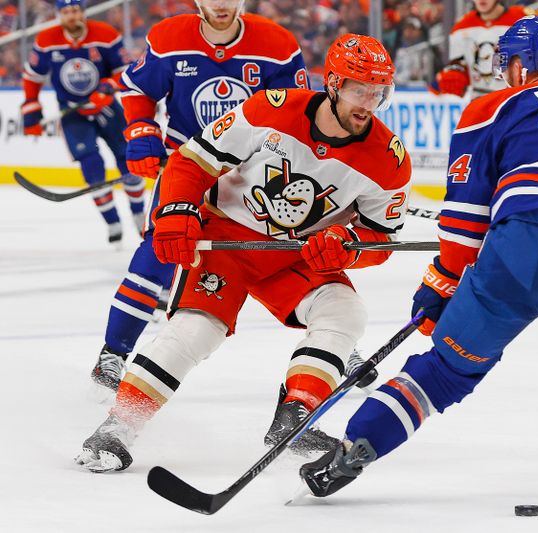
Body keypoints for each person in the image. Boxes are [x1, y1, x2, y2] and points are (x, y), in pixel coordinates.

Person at [298, 16, 538, 508]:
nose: (506, 72)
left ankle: (352, 452)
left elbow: (463, 222)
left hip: (516, 257)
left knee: (444, 370)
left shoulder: (488, 106)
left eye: (509, 63)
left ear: (522, 65)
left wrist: (439, 287)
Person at [75, 33, 412, 473]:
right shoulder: (271, 109)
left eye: (378, 92)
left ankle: (295, 416)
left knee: (345, 312)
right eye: (357, 89)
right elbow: (191, 161)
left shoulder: (389, 160)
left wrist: (346, 250)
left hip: (296, 255)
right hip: (229, 241)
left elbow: (379, 240)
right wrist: (176, 212)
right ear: (331, 83)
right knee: (197, 329)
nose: (368, 102)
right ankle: (118, 427)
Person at [88, 0, 309, 398]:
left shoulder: (277, 44)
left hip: (252, 175)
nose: (221, 4)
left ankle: (333, 341)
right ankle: (114, 353)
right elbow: (138, 88)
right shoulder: (170, 37)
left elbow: (299, 113)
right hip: (187, 166)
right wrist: (141, 131)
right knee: (160, 250)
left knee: (284, 255)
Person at [21, 0, 145, 245]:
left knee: (128, 160)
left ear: (83, 12)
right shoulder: (47, 40)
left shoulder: (106, 35)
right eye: (66, 12)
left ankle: (139, 214)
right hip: (73, 113)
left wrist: (109, 85)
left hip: (107, 108)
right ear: (59, 15)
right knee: (91, 167)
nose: (72, 16)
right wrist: (31, 111)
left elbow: (126, 70)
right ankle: (112, 221)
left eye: (76, 10)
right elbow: (32, 76)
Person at [432, 0, 532, 99]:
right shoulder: (461, 26)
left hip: (515, 99)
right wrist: (454, 74)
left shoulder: (523, 19)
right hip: (479, 100)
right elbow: (459, 63)